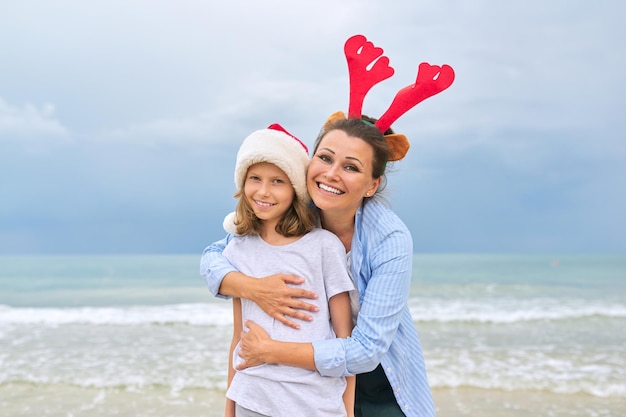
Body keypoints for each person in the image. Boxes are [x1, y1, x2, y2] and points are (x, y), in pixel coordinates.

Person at [201, 34, 454, 417]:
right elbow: (216, 255)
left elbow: (367, 351)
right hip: (306, 387)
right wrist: (255, 288)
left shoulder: (390, 238)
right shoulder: (295, 212)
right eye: (325, 157)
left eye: (351, 167)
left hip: (382, 382)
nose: (331, 175)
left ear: (372, 184)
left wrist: (270, 351)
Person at [218, 123, 356, 417]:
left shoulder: (324, 247)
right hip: (252, 399)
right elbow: (237, 339)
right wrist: (229, 410)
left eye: (277, 181)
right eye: (255, 178)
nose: (263, 191)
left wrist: (348, 412)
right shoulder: (238, 250)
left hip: (313, 404)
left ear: (295, 189)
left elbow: (346, 345)